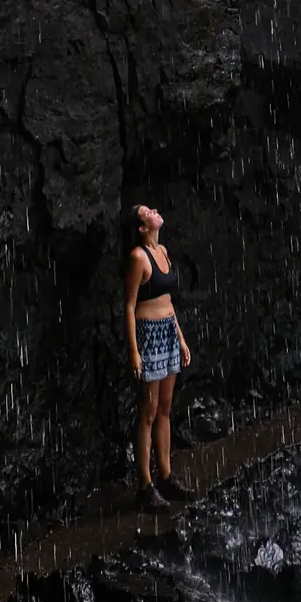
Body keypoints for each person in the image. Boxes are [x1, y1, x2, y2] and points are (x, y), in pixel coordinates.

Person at [124, 200, 192, 512]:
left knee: (165, 408)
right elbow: (129, 305)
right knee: (148, 413)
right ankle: (145, 486)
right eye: (147, 212)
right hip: (148, 334)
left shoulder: (163, 252)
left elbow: (167, 300)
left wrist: (180, 338)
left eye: (153, 208)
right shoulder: (138, 257)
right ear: (142, 228)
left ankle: (165, 476)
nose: (154, 210)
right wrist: (134, 351)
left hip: (167, 330)